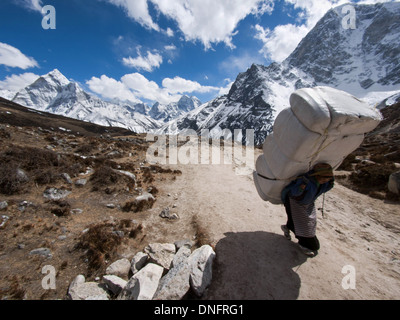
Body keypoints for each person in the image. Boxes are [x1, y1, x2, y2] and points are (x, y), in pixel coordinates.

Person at [281, 163, 335, 257]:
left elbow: (325, 189)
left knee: (306, 222)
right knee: (301, 223)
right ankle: (303, 244)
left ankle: (287, 227)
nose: (324, 181)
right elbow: (294, 193)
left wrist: (330, 183)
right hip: (294, 203)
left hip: (308, 204)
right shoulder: (306, 181)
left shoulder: (323, 183)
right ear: (317, 175)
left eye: (327, 179)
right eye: (323, 178)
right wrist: (301, 188)